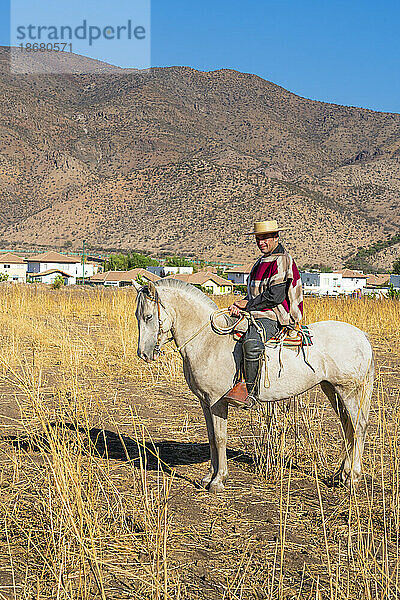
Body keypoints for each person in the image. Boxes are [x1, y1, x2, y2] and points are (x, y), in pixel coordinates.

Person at [223, 220, 303, 408]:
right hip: (258, 310)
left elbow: (275, 296)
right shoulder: (260, 262)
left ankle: (250, 394)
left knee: (251, 344)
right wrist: (239, 305)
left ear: (276, 237)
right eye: (258, 239)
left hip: (275, 314)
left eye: (265, 238)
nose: (261, 243)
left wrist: (248, 305)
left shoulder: (282, 259)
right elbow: (255, 294)